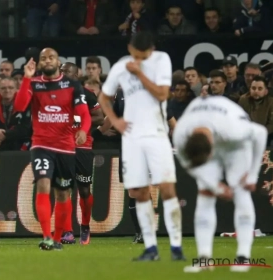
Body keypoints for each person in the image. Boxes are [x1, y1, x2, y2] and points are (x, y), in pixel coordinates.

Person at [98, 31, 185, 261]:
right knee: (138, 192)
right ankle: (150, 247)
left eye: (145, 55)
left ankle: (176, 246)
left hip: (156, 134)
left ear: (152, 50)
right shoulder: (120, 66)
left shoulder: (161, 60)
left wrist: (140, 74)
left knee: (166, 188)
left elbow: (162, 93)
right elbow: (103, 98)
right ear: (130, 49)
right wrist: (115, 121)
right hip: (131, 139)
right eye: (137, 55)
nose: (141, 59)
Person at [173, 95, 267, 273]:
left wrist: (252, 176)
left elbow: (261, 133)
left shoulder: (233, 129)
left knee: (241, 190)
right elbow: (189, 163)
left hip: (235, 147)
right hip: (209, 132)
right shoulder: (181, 135)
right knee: (205, 193)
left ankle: (243, 257)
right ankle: (204, 259)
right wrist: (214, 185)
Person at [13, 48, 91, 250]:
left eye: (51, 57)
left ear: (58, 62)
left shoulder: (72, 85)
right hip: (41, 145)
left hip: (65, 147)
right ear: (39, 64)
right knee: (43, 185)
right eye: (43, 58)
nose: (47, 61)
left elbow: (84, 114)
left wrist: (83, 130)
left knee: (63, 194)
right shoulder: (35, 83)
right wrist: (26, 79)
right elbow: (20, 106)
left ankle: (57, 239)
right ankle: (47, 236)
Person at [59, 62, 103, 245]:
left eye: (67, 73)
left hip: (83, 146)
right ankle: (67, 231)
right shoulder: (55, 94)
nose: (63, 76)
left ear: (76, 74)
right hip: (62, 146)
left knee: (84, 190)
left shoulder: (87, 94)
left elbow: (99, 117)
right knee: (63, 189)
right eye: (61, 72)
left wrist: (77, 121)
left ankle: (85, 226)